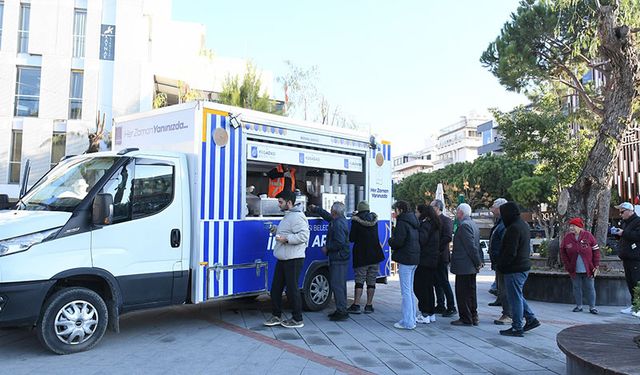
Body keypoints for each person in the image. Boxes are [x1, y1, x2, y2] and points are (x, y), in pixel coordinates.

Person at [263, 191, 310, 329]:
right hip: (284, 258)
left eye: (280, 202)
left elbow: (304, 236)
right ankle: (276, 316)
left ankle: (297, 319)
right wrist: (275, 230)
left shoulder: (297, 217)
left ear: (289, 203)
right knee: (275, 289)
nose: (279, 204)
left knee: (292, 290)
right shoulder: (289, 215)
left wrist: (286, 239)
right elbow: (287, 232)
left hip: (293, 259)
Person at [497, 201, 540, 337]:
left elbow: (510, 252)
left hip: (514, 268)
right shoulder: (523, 225)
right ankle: (531, 319)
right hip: (522, 266)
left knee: (514, 298)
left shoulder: (513, 228)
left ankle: (517, 326)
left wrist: (502, 265)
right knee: (517, 295)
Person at [308, 202, 350, 321]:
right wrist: (316, 209)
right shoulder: (339, 220)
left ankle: (341, 312)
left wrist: (328, 247)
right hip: (341, 257)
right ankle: (341, 309)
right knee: (340, 285)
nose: (330, 211)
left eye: (331, 209)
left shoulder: (338, 224)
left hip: (338, 258)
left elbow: (339, 242)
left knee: (337, 285)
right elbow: (327, 217)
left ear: (334, 212)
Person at [347, 201, 385, 314]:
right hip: (375, 254)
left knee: (359, 280)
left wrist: (354, 217)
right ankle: (369, 305)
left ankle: (356, 305)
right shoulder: (374, 219)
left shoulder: (356, 221)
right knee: (371, 281)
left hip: (362, 255)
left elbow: (352, 238)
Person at [389, 200, 420, 330]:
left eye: (395, 210)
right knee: (410, 291)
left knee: (406, 292)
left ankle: (408, 321)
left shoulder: (402, 223)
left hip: (406, 260)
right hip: (414, 259)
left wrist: (390, 240)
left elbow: (398, 242)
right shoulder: (413, 222)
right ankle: (411, 318)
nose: (395, 212)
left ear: (400, 210)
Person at [560, 217, 600, 314]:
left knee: (590, 287)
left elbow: (596, 250)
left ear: (579, 227)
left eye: (573, 226)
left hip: (589, 268)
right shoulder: (567, 237)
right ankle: (579, 306)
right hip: (574, 269)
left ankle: (592, 307)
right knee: (576, 287)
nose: (571, 228)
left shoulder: (588, 236)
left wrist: (596, 265)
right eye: (570, 226)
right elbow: (563, 251)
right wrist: (567, 264)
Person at [450, 203, 481, 326]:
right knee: (471, 292)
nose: (456, 214)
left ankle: (466, 317)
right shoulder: (473, 224)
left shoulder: (464, 226)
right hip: (470, 266)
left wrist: (477, 261)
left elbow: (471, 247)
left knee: (463, 293)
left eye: (457, 212)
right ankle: (473, 315)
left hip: (464, 266)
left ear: (461, 212)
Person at [611, 202, 640, 314]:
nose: (620, 214)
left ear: (630, 211)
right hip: (626, 257)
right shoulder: (625, 223)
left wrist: (624, 232)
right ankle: (634, 305)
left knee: (637, 282)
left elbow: (637, 236)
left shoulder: (638, 221)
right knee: (630, 282)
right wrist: (618, 234)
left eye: (622, 211)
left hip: (636, 258)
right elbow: (625, 237)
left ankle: (639, 307)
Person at [414, 204, 441, 324]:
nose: (416, 214)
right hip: (432, 260)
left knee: (420, 287)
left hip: (424, 260)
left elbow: (421, 240)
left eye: (417, 212)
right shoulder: (435, 225)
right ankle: (430, 313)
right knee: (429, 288)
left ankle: (424, 313)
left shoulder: (425, 225)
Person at [430, 199, 457, 317]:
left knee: (444, 282)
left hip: (441, 256)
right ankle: (440, 304)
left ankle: (451, 306)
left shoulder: (446, 221)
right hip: (433, 257)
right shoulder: (432, 220)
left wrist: (436, 247)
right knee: (436, 282)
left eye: (432, 207)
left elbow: (447, 237)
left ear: (437, 207)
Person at [488, 198, 512, 326]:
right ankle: (507, 311)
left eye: (493, 207)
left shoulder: (504, 224)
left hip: (502, 263)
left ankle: (508, 314)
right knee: (501, 288)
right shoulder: (500, 223)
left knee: (505, 289)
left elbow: (505, 245)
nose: (491, 209)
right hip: (499, 262)